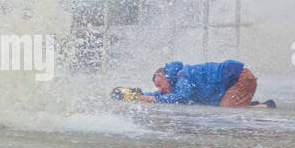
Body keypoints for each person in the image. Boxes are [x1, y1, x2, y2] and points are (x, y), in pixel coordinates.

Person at [117, 59, 275, 108]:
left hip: (241, 78)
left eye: (160, 84)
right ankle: (253, 104)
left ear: (166, 76)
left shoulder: (182, 76)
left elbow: (182, 96)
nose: (160, 89)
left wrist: (152, 99)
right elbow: (167, 94)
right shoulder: (176, 79)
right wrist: (139, 95)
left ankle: (265, 107)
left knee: (228, 111)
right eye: (157, 87)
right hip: (237, 79)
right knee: (226, 108)